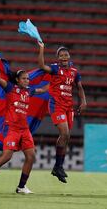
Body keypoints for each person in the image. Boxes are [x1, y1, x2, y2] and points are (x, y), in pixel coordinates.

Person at [0, 55, 46, 194]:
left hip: (24, 129)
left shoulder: (29, 91)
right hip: (12, 128)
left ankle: (21, 186)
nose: (27, 81)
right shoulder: (10, 88)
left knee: (31, 156)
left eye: (28, 79)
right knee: (7, 156)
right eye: (24, 79)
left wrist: (57, 81)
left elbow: (42, 90)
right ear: (17, 80)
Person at [37, 42, 87, 183]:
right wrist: (41, 49)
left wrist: (83, 101)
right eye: (61, 55)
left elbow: (80, 87)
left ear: (69, 56)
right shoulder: (54, 68)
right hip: (56, 105)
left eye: (66, 55)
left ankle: (58, 167)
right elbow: (41, 66)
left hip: (68, 107)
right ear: (58, 58)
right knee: (64, 133)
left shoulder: (74, 72)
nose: (64, 57)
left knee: (66, 137)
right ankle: (58, 166)